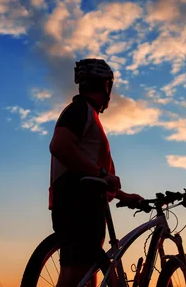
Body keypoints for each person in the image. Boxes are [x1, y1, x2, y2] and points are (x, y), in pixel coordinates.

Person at [49, 58, 144, 287]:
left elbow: (96, 177)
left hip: (86, 203)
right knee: (76, 276)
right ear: (106, 86)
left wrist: (124, 196)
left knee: (87, 276)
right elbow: (59, 146)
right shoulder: (80, 110)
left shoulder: (89, 116)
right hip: (77, 203)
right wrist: (103, 174)